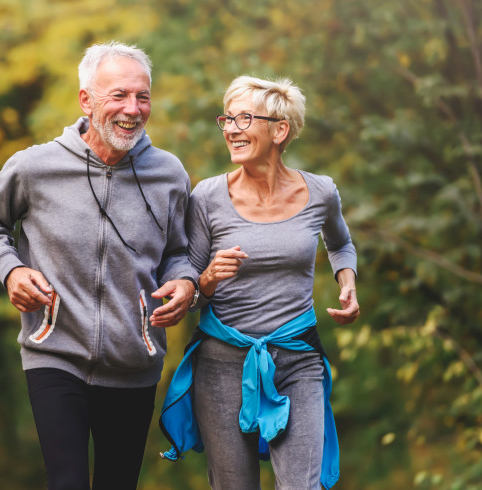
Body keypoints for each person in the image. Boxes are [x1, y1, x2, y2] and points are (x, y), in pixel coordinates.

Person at [0, 41, 199, 490]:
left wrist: (185, 282)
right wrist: (11, 270)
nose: (133, 108)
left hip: (135, 360)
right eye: (119, 95)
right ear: (86, 100)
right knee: (67, 481)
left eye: (142, 96)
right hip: (54, 353)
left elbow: (180, 251)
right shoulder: (35, 167)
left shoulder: (169, 174)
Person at [159, 76, 360, 489]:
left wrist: (348, 281)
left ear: (279, 129)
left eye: (244, 118)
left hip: (297, 358)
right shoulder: (207, 196)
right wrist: (209, 277)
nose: (231, 128)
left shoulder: (321, 192)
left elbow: (340, 243)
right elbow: (192, 289)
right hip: (221, 365)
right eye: (227, 119)